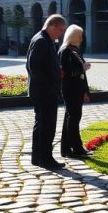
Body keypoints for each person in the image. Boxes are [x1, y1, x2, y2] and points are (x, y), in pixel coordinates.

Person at [27, 14, 67, 170]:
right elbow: (34, 68)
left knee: (41, 124)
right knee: (47, 126)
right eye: (60, 30)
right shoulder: (42, 41)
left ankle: (37, 157)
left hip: (43, 90)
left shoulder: (43, 39)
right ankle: (46, 159)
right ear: (52, 26)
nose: (61, 33)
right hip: (44, 92)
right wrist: (50, 85)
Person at [59, 25, 92, 158]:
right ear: (73, 36)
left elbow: (81, 73)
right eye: (79, 35)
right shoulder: (65, 50)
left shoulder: (76, 50)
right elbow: (66, 72)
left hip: (77, 89)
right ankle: (76, 148)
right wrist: (82, 68)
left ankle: (67, 148)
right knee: (73, 118)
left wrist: (85, 91)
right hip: (70, 89)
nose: (81, 38)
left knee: (72, 118)